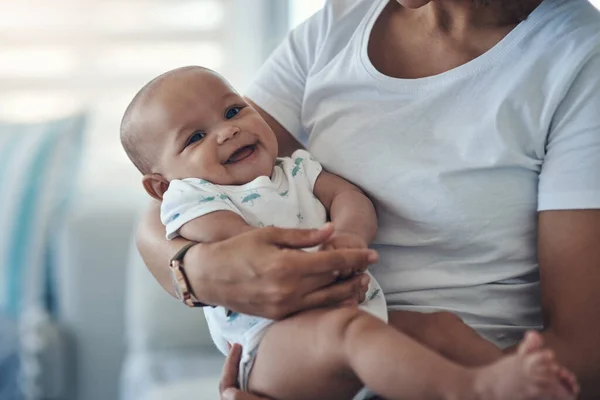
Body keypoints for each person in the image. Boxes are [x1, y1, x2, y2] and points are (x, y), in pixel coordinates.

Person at [135, 0, 600, 398]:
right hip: (308, 338)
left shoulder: (579, 59)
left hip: (412, 342)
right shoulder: (339, 24)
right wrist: (199, 271)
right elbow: (167, 214)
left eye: (234, 112)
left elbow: (584, 352)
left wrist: (348, 236)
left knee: (437, 329)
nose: (229, 128)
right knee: (351, 334)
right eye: (198, 135)